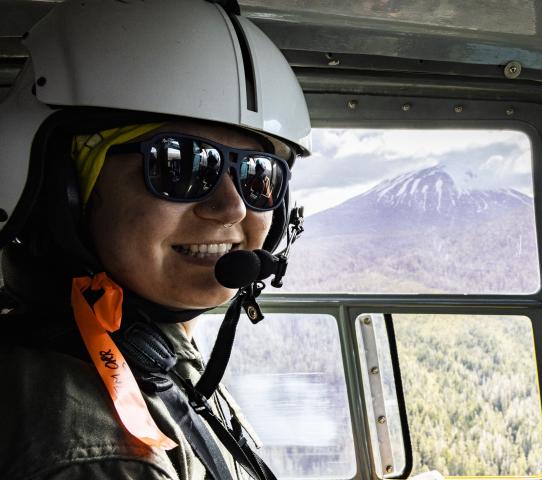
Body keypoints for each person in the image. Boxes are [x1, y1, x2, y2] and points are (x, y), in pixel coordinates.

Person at [0, 1, 311, 479]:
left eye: (257, 174)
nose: (233, 208)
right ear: (65, 192)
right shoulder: (104, 454)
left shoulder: (143, 349)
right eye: (179, 165)